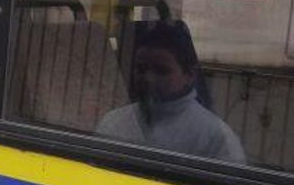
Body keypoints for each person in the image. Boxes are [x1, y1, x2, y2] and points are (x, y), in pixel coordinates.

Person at [97, 20, 246, 163]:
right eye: (141, 69)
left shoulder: (215, 137)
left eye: (161, 71)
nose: (148, 78)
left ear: (189, 75)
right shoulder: (113, 122)